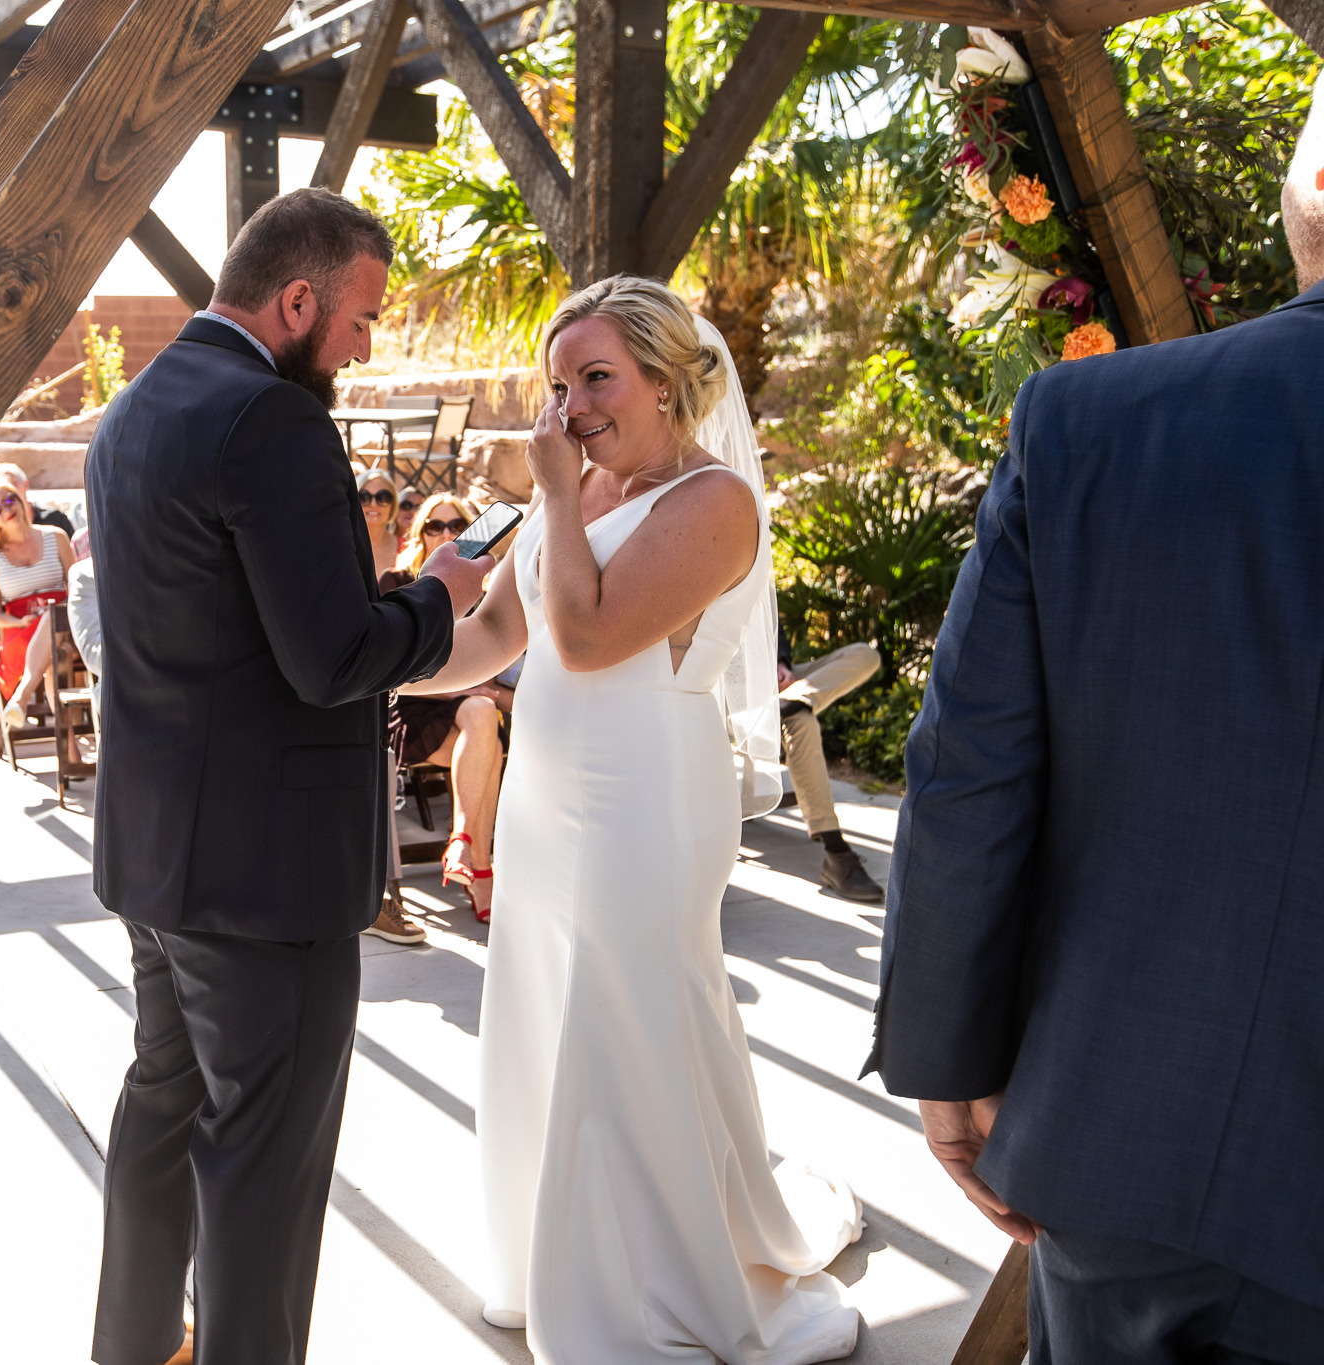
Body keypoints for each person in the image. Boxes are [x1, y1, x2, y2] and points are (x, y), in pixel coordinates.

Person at [864, 109, 1324, 1362]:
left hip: (1122, 1136)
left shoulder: (1089, 424)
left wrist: (947, 1054)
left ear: (1311, 195)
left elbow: (968, 769)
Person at [406, 275, 859, 1361]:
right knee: (547, 1010)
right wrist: (380, 663)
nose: (570, 408)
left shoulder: (711, 504)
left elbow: (594, 636)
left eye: (595, 378)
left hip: (646, 796)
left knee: (632, 1019)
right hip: (551, 788)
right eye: (559, 385)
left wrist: (555, 499)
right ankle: (547, 1255)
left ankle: (664, 1280)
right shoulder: (583, 492)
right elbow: (496, 640)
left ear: (665, 381)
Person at [85, 187, 485, 1365]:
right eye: (359, 317)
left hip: (158, 857)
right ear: (296, 298)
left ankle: (133, 1349)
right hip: (266, 881)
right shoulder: (270, 420)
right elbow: (333, 658)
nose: (366, 346)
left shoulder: (134, 409)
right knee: (261, 1168)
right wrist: (438, 596)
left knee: (161, 1116)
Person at [382, 491, 510, 925]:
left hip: (468, 712)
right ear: (421, 534)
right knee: (483, 730)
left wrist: (482, 689)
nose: (447, 534)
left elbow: (491, 674)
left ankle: (464, 845)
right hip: (412, 710)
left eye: (457, 526)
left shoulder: (482, 592)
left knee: (479, 716)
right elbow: (395, 668)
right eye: (435, 526)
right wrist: (478, 687)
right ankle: (478, 863)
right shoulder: (397, 582)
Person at [776, 635, 885, 903]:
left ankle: (792, 701)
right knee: (801, 723)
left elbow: (773, 623)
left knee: (865, 654)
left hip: (776, 681)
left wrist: (780, 663)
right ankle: (836, 851)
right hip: (726, 687)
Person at [0, 472, 73, 737]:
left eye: (9, 500)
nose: (6, 510)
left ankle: (22, 695)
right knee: (55, 653)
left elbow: (77, 589)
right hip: (21, 629)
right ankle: (71, 752)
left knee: (54, 618)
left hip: (67, 622)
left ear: (20, 499)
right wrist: (18, 622)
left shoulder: (56, 537)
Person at [355, 465, 400, 582]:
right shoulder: (343, 547)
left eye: (383, 497)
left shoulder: (408, 549)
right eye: (364, 497)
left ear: (393, 504)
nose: (373, 504)